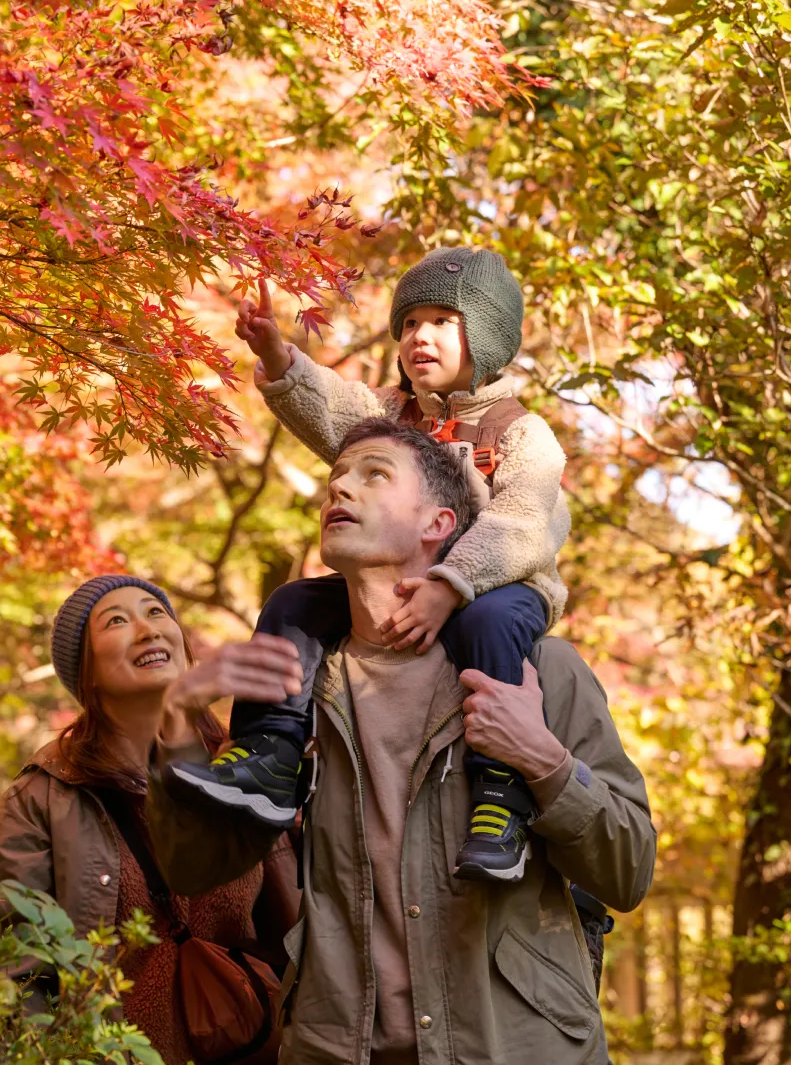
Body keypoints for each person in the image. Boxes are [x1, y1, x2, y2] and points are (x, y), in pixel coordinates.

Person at [148, 421, 655, 1064]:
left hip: (515, 1049)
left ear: (438, 523)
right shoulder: (294, 682)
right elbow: (196, 869)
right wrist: (177, 719)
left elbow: (629, 872)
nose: (340, 487)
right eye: (337, 476)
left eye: (374, 474)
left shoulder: (541, 671)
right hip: (339, 1049)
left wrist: (542, 758)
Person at [171, 247, 569, 884]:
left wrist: (451, 584)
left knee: (488, 626)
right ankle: (272, 750)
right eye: (409, 324)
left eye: (443, 320)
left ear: (488, 334)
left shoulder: (521, 435)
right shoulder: (392, 416)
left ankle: (502, 795)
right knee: (293, 604)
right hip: (398, 583)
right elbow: (331, 406)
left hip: (501, 586)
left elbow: (524, 524)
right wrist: (280, 358)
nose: (420, 337)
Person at [0, 575, 300, 1065]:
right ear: (85, 674)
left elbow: (299, 924)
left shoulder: (247, 764)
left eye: (155, 613)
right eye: (117, 621)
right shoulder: (38, 801)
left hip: (255, 1048)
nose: (147, 631)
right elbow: (15, 978)